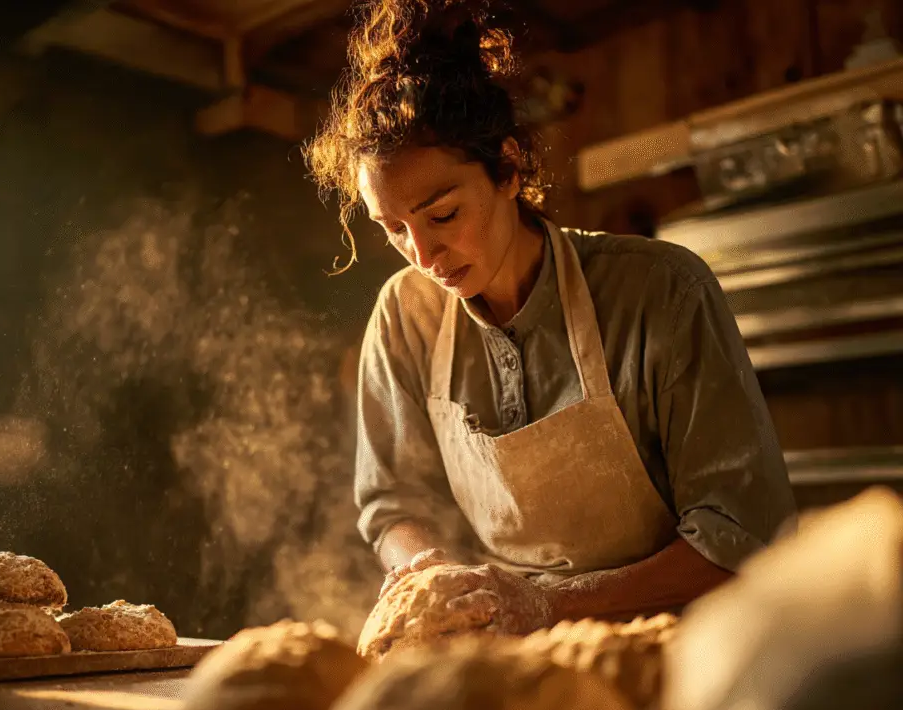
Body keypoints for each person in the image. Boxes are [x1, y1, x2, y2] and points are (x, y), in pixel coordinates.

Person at [303, 0, 796, 631]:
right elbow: (394, 501)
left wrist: (548, 604)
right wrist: (433, 575)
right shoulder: (406, 316)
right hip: (504, 639)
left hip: (675, 641)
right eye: (393, 229)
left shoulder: (662, 292)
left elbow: (742, 534)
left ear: (507, 169)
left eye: (443, 215)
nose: (423, 256)